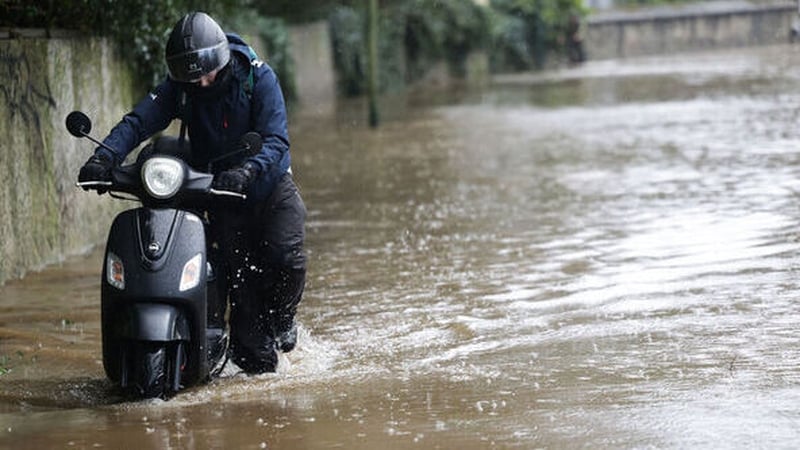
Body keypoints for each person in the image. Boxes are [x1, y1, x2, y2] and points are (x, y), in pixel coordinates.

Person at [77, 11, 306, 374]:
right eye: (190, 78)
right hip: (220, 190)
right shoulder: (180, 86)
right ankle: (231, 351)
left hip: (269, 184)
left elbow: (277, 139)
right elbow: (139, 121)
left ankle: (284, 319)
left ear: (221, 60)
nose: (200, 84)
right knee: (241, 297)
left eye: (205, 75)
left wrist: (248, 170)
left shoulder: (258, 77)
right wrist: (103, 157)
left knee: (286, 257)